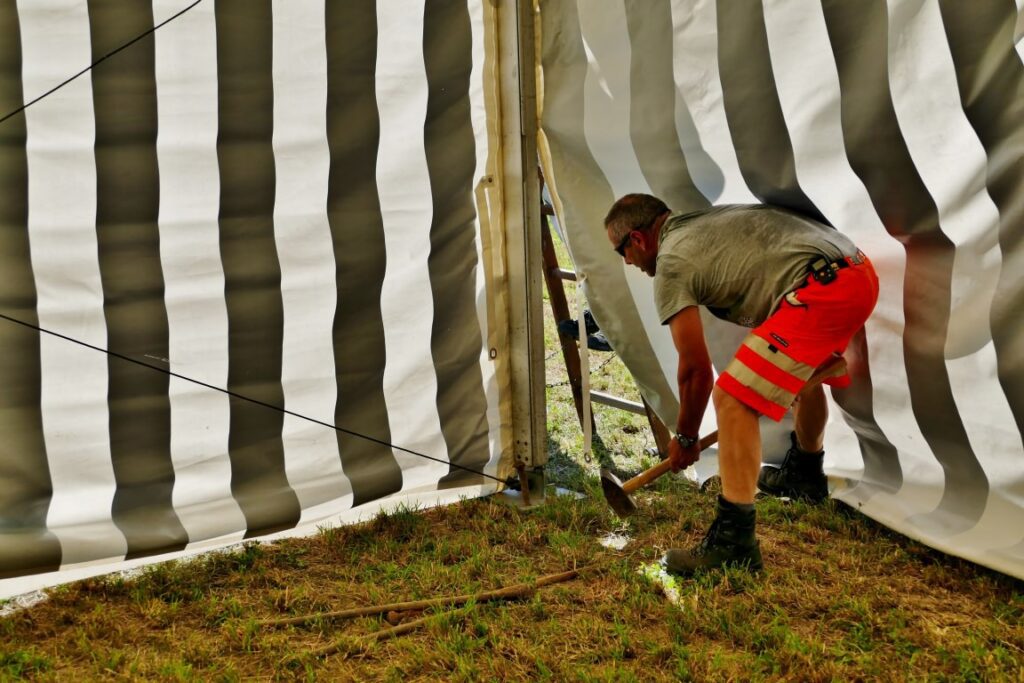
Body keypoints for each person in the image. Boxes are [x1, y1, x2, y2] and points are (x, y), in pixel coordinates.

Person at [604, 194, 878, 573]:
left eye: (622, 251)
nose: (627, 262)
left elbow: (695, 369)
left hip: (822, 289)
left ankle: (734, 542)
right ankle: (804, 475)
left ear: (638, 239)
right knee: (798, 379)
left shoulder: (670, 262)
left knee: (732, 397)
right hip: (856, 273)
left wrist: (685, 438)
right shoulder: (701, 225)